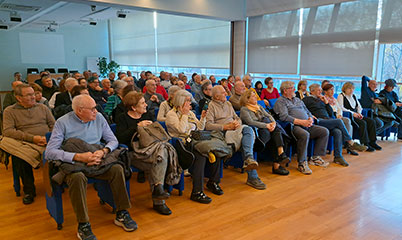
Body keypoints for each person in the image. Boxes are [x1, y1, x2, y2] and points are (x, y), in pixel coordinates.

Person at [46, 95, 137, 239]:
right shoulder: (62, 122)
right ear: (79, 110)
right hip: (76, 163)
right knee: (77, 177)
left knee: (117, 169)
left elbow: (112, 140)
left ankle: (121, 213)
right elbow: (50, 152)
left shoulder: (99, 118)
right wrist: (78, 157)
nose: (97, 111)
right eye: (93, 109)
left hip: (98, 159)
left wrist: (103, 151)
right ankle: (83, 224)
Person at [115, 92, 174, 215]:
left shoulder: (147, 114)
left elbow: (155, 135)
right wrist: (137, 126)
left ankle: (158, 192)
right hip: (134, 153)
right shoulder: (122, 118)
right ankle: (159, 199)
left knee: (158, 158)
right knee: (161, 156)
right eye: (142, 103)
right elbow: (120, 139)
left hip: (152, 150)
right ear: (133, 107)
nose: (146, 104)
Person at [0, 84, 55, 204]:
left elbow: (53, 125)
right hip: (25, 143)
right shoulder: (9, 111)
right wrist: (33, 138)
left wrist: (49, 138)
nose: (33, 97)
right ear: (19, 98)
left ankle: (55, 184)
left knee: (61, 150)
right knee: (20, 157)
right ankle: (29, 191)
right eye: (29, 95)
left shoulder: (42, 108)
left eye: (33, 94)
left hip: (46, 140)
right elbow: (8, 131)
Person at [166, 90, 222, 203]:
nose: (190, 103)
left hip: (195, 141)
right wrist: (185, 115)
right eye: (187, 101)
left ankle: (213, 182)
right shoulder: (171, 114)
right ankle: (197, 192)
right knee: (200, 154)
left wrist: (202, 118)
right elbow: (181, 130)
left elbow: (200, 129)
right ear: (180, 101)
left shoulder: (190, 113)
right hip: (181, 145)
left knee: (215, 150)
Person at [206, 85, 266, 190]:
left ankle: (248, 158)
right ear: (216, 96)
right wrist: (225, 127)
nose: (226, 94)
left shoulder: (228, 104)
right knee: (245, 140)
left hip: (235, 129)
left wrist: (237, 123)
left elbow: (237, 118)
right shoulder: (211, 106)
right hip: (224, 132)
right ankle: (252, 176)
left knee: (248, 130)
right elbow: (208, 125)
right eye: (223, 93)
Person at [303, 84, 367, 166]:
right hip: (317, 120)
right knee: (339, 122)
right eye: (318, 90)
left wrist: (326, 103)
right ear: (312, 91)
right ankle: (350, 142)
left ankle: (338, 156)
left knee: (338, 132)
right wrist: (310, 116)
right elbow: (303, 110)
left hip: (327, 120)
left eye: (320, 90)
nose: (320, 92)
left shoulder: (322, 100)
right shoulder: (306, 99)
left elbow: (330, 113)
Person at [274, 81, 330, 174]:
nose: (294, 90)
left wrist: (310, 119)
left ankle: (315, 157)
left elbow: (307, 111)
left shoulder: (297, 100)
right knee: (304, 134)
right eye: (292, 88)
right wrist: (301, 122)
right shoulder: (281, 101)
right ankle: (302, 163)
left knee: (324, 131)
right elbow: (284, 117)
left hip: (306, 124)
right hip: (293, 126)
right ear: (285, 90)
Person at [240, 89, 290, 175]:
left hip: (269, 129)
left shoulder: (258, 106)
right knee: (278, 134)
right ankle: (278, 161)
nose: (256, 97)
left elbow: (269, 115)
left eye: (255, 95)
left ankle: (280, 156)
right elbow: (251, 122)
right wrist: (266, 125)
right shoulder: (244, 109)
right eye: (253, 96)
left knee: (276, 133)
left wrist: (273, 123)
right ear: (247, 99)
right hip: (259, 133)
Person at [337, 82, 381, 151]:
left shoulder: (353, 96)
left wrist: (359, 113)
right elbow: (341, 108)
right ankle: (365, 143)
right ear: (345, 89)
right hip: (349, 116)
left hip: (356, 115)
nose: (351, 90)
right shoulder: (341, 96)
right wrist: (353, 113)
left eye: (352, 88)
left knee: (371, 121)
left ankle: (372, 142)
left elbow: (359, 106)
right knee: (363, 123)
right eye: (349, 88)